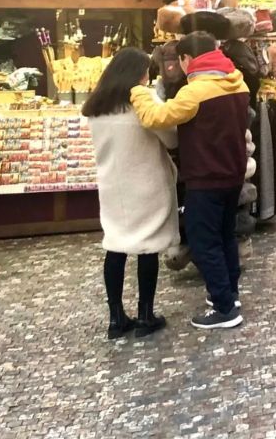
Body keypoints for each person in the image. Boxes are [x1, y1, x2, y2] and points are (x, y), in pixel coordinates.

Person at [130, 31, 250, 330]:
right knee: (225, 236)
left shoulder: (195, 91)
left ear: (186, 59)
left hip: (206, 175)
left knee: (203, 240)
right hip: (232, 173)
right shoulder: (236, 80)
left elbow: (156, 119)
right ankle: (228, 294)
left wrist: (139, 92)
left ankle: (224, 308)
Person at [84, 47, 180, 339]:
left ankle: (115, 318)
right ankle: (145, 314)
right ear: (139, 73)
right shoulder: (143, 99)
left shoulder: (97, 105)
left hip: (113, 184)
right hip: (146, 180)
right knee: (147, 246)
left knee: (116, 245)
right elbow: (170, 135)